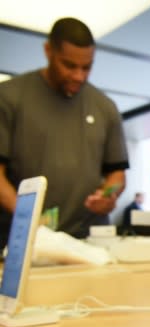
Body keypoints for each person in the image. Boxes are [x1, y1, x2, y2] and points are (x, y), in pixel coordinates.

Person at [0, 17, 128, 247]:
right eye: (69, 65)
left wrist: (109, 195)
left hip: (87, 242)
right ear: (48, 51)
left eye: (87, 67)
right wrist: (30, 220)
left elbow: (117, 174)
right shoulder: (9, 97)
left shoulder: (105, 107)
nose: (79, 76)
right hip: (20, 242)